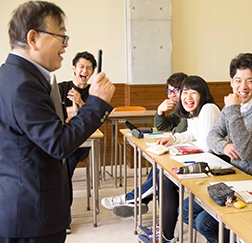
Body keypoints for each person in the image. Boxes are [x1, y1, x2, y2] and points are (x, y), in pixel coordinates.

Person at [0, 1, 115, 243]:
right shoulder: (24, 84)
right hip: (32, 214)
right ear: (33, 38)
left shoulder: (10, 74)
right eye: (60, 35)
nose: (66, 44)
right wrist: (95, 102)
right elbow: (59, 144)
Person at [182, 53, 252, 243]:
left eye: (250, 81)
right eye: (238, 80)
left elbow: (246, 152)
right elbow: (212, 136)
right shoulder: (232, 106)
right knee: (186, 209)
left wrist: (232, 110)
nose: (243, 87)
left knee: (204, 222)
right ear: (231, 83)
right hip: (236, 177)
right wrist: (224, 145)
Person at [138, 75, 221, 243]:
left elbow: (206, 146)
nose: (187, 97)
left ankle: (163, 234)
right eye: (185, 92)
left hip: (214, 168)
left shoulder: (208, 109)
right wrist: (174, 140)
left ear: (202, 93)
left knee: (165, 178)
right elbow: (192, 134)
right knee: (164, 178)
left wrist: (180, 146)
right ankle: (165, 235)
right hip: (203, 163)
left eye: (193, 92)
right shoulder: (194, 111)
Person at [101, 72, 188, 217]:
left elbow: (179, 131)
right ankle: (138, 202)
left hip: (190, 157)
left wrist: (172, 132)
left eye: (176, 90)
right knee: (157, 169)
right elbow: (162, 126)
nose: (172, 95)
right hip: (179, 152)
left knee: (160, 172)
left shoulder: (190, 109)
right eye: (170, 91)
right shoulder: (180, 110)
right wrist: (160, 110)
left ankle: (128, 198)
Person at [59, 51, 97, 178]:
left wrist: (80, 102)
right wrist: (72, 109)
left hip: (82, 141)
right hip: (61, 138)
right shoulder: (61, 88)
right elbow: (52, 111)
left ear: (92, 72)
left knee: (69, 161)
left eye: (89, 68)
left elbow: (93, 118)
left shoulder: (93, 93)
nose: (85, 70)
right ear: (74, 68)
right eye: (82, 66)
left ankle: (63, 193)